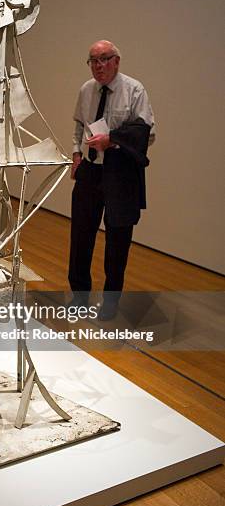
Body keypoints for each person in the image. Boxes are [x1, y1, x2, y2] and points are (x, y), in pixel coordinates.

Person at [68, 40, 155, 319]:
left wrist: (113, 141)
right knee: (80, 236)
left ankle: (110, 303)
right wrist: (76, 153)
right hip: (90, 171)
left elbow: (147, 133)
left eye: (104, 59)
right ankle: (79, 297)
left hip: (121, 173)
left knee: (117, 241)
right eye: (93, 60)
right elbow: (79, 125)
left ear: (117, 61)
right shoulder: (86, 90)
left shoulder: (135, 90)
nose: (99, 66)